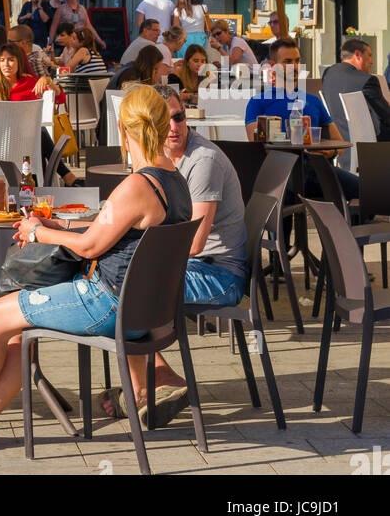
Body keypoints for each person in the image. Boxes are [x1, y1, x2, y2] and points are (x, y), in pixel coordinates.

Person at [0, 85, 191, 447]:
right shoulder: (175, 181)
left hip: (106, 304)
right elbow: (109, 229)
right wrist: (61, 226)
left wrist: (39, 232)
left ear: (121, 127)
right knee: (18, 330)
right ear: (165, 124)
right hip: (144, 314)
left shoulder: (137, 185)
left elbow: (90, 246)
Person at [108, 89, 248, 424]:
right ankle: (159, 378)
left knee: (121, 289)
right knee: (121, 278)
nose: (174, 125)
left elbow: (196, 243)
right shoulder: (157, 157)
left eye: (180, 116)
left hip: (218, 274)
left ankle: (148, 386)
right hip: (193, 266)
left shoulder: (202, 161)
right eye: (164, 119)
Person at [245, 36, 358, 204]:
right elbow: (257, 146)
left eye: (297, 61)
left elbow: (338, 143)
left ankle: (350, 227)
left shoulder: (312, 101)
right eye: (288, 61)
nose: (295, 67)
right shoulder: (258, 102)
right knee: (284, 190)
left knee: (365, 190)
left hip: (316, 169)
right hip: (280, 172)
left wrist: (331, 152)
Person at [0, 43, 75, 185]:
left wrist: (47, 80)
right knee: (41, 132)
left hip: (22, 148)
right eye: (2, 60)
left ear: (19, 62)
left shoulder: (30, 83)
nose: (6, 64)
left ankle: (62, 178)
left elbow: (60, 98)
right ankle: (66, 176)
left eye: (11, 60)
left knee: (40, 133)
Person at [320, 36, 390, 143]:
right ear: (357, 55)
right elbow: (386, 115)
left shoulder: (328, 74)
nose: (371, 61)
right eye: (369, 55)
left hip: (340, 146)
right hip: (369, 149)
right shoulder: (367, 81)